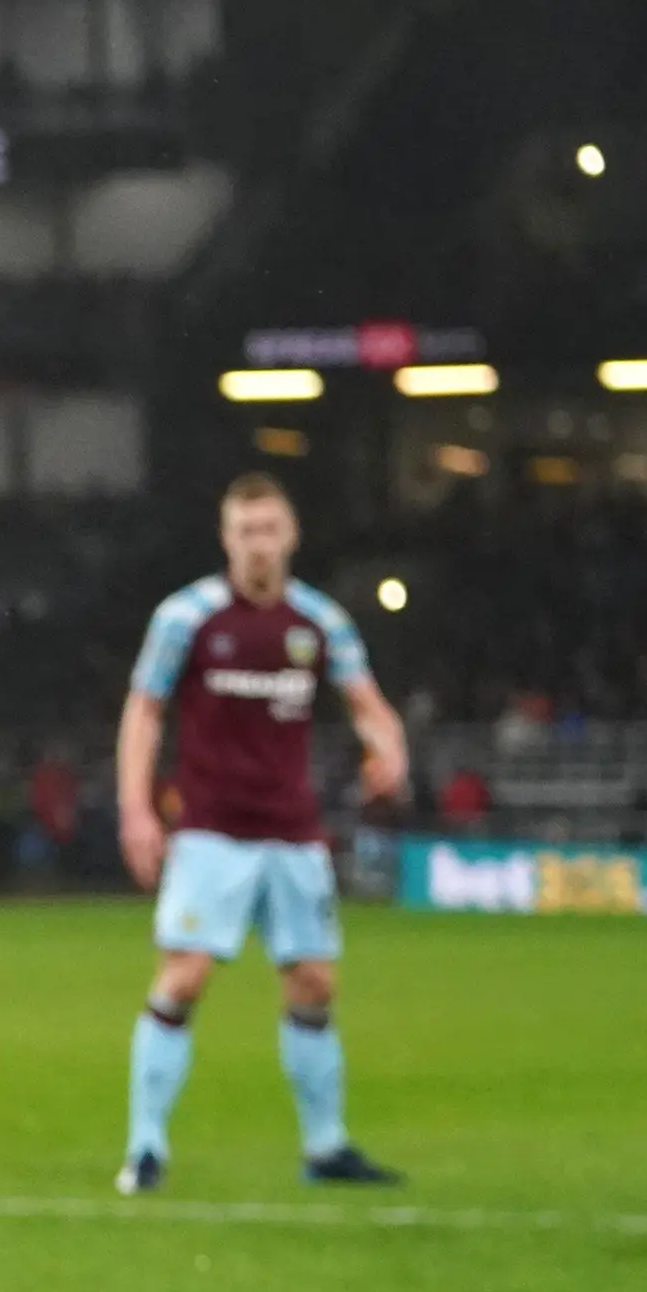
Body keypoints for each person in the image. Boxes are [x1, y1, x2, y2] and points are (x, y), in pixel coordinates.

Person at [114, 474, 408, 1193]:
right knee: (184, 978)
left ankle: (325, 1146)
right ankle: (145, 1147)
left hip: (292, 831)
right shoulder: (187, 617)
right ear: (226, 539)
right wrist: (137, 808)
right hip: (211, 830)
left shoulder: (320, 621)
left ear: (291, 535)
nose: (257, 545)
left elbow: (365, 700)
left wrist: (390, 747)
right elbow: (144, 711)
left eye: (269, 529)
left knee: (312, 983)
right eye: (245, 531)